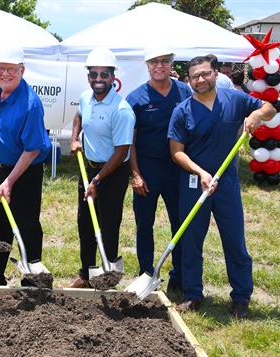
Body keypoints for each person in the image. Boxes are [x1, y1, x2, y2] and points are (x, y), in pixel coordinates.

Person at [168, 55, 275, 318]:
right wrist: (200, 171)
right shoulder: (182, 111)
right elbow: (176, 152)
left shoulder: (235, 100)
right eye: (195, 76)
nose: (200, 79)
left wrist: (257, 114)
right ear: (188, 80)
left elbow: (270, 107)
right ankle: (193, 294)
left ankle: (241, 297)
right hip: (195, 183)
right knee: (191, 241)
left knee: (234, 240)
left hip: (226, 184)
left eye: (205, 74)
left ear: (215, 73)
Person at [0, 45, 51, 286]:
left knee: (26, 224)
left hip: (25, 172)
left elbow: (33, 148)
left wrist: (10, 181)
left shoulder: (31, 104)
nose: (5, 73)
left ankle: (33, 280)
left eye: (11, 69)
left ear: (22, 70)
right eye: (0, 68)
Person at [126, 47, 192, 293]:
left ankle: (180, 274)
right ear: (147, 65)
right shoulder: (136, 99)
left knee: (180, 222)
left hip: (177, 170)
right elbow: (129, 141)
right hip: (147, 169)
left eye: (164, 61)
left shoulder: (184, 91)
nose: (159, 66)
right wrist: (136, 174)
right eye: (154, 62)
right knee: (145, 224)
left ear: (171, 64)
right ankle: (146, 272)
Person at [69, 47, 136, 288]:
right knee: (85, 222)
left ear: (112, 77)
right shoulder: (86, 97)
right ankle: (86, 274)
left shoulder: (121, 110)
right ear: (88, 76)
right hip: (88, 167)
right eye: (93, 74)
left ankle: (107, 276)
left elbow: (121, 153)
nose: (98, 79)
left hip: (113, 173)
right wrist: (75, 138)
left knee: (108, 224)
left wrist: (97, 181)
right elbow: (78, 116)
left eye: (103, 74)